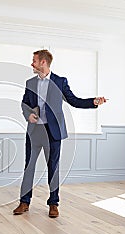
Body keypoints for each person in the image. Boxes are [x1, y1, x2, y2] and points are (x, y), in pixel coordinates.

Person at [13, 49, 106, 218]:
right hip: (34, 131)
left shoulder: (60, 81)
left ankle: (53, 203)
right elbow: (24, 104)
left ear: (43, 62)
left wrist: (93, 102)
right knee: (29, 167)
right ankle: (24, 202)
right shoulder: (30, 83)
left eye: (34, 60)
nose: (31, 64)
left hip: (53, 132)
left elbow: (74, 101)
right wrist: (29, 115)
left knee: (53, 168)